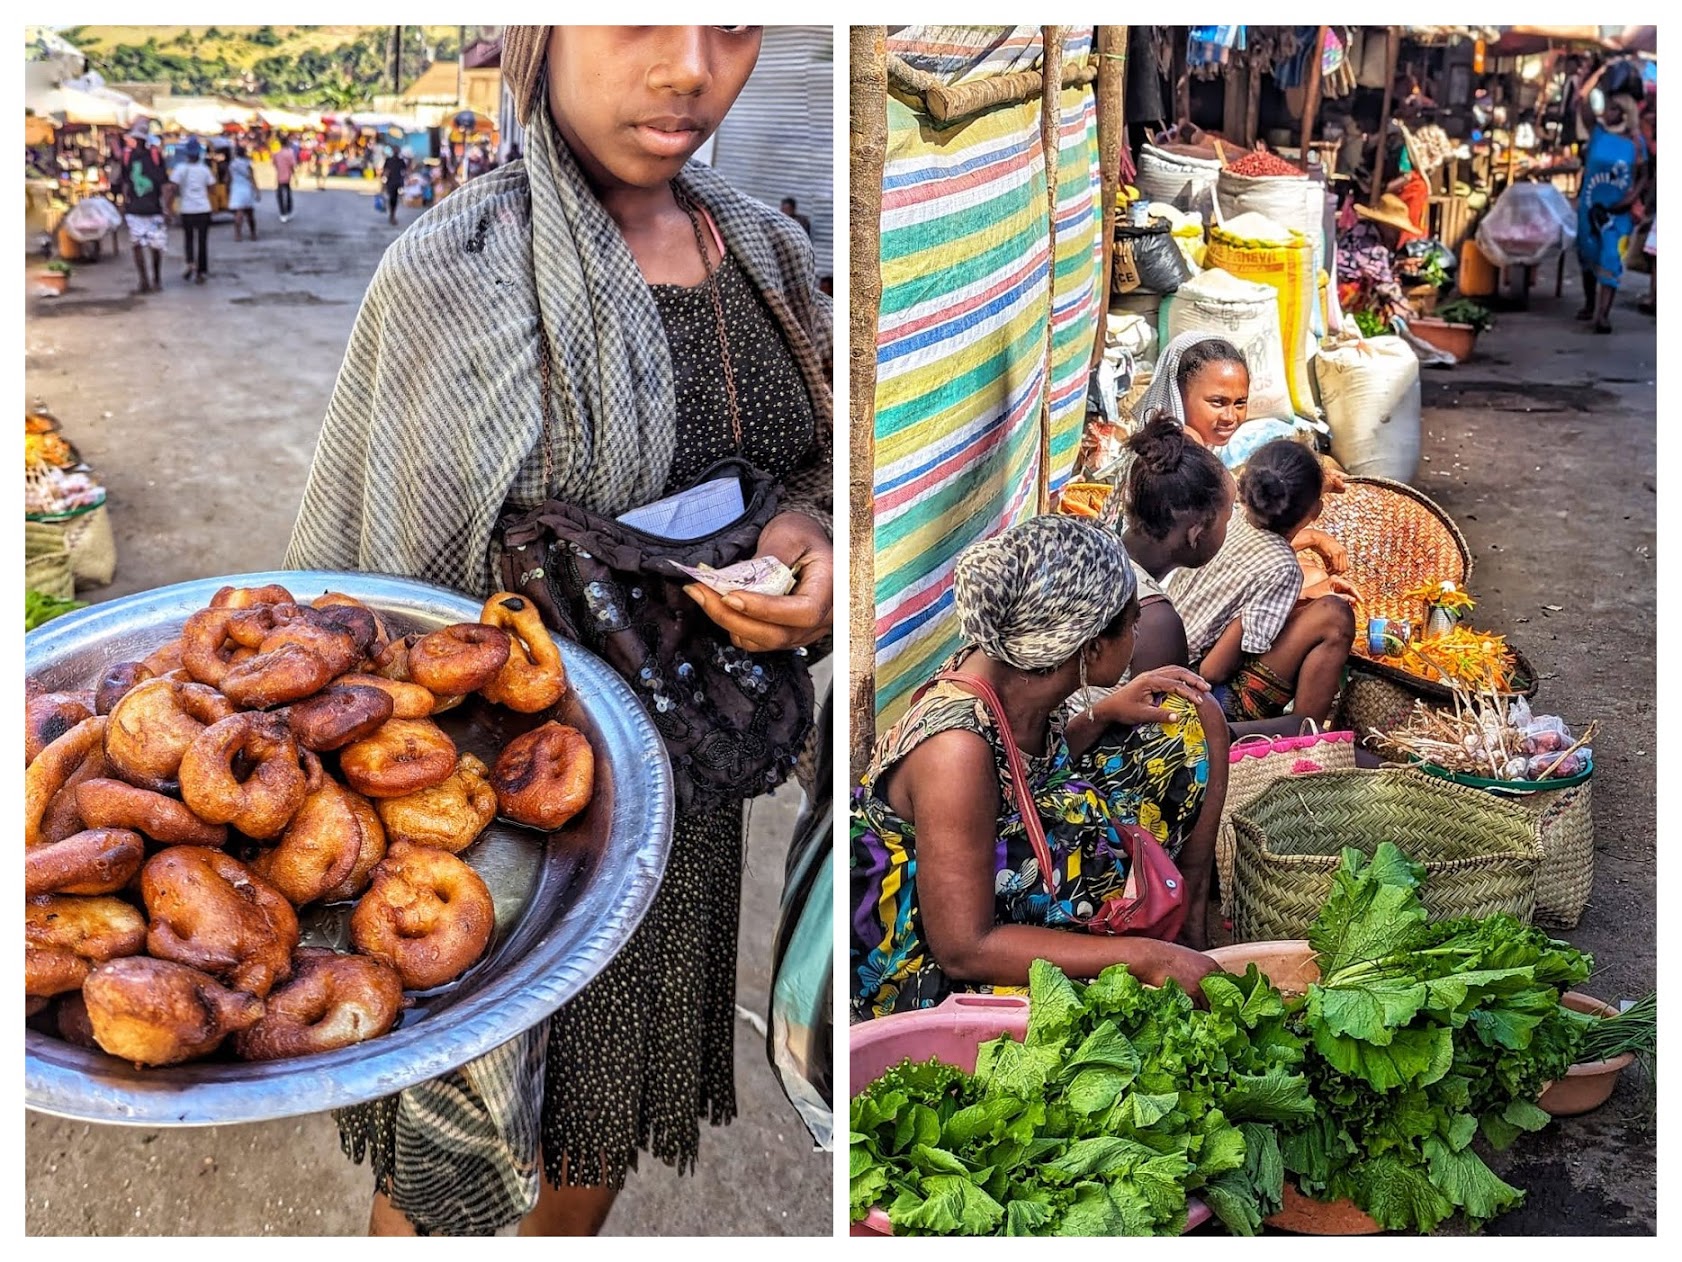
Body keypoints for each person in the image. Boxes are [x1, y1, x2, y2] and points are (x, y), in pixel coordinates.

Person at [284, 25, 832, 1236]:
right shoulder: (455, 278)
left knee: (590, 1123)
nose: (691, 65)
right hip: (478, 827)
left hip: (679, 811)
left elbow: (813, 463)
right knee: (446, 1176)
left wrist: (812, 544)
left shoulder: (769, 258)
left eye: (734, 21)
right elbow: (369, 604)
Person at [851, 514, 1228, 1023]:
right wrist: (1142, 959)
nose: (1139, 634)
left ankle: (1189, 915)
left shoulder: (1016, 673)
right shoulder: (954, 748)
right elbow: (964, 946)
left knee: (1194, 716)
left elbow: (1019, 774)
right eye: (1133, 622)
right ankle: (1154, 940)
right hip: (934, 959)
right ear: (1090, 648)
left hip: (1002, 856)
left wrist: (1102, 712)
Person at [1166, 440, 1355, 728]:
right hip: (1196, 690)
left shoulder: (1227, 518)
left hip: (1166, 659)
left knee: (1314, 591)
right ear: (1316, 510)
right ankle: (1301, 734)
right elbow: (1213, 669)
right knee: (1336, 615)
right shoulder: (1282, 568)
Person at [1113, 416, 1234, 678]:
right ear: (1196, 532)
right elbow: (1173, 719)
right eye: (1228, 518)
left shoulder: (1094, 550)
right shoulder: (1157, 622)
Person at [1575, 64, 1651, 334]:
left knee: (1610, 256)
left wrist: (1631, 198)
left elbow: (1643, 174)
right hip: (1589, 206)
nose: (1608, 112)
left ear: (1625, 112)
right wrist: (1596, 73)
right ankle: (1589, 303)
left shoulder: (1636, 143)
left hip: (1617, 212)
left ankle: (1602, 315)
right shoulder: (1597, 133)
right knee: (1586, 253)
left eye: (1615, 108)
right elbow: (1582, 101)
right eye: (1608, 107)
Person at [1338, 193, 1420, 329]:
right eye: (1395, 230)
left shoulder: (1363, 228)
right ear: (1385, 225)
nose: (1397, 235)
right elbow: (1385, 285)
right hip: (1343, 291)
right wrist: (1410, 313)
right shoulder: (1373, 244)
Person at [117, 121, 170, 294]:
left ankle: (154, 279)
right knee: (139, 245)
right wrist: (124, 203)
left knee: (154, 246)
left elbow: (164, 184)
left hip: (152, 208)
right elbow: (125, 182)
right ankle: (146, 280)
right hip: (137, 209)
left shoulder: (154, 156)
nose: (137, 142)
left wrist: (166, 207)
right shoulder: (128, 157)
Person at [170, 137, 216, 284]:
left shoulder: (180, 169)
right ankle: (201, 271)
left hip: (187, 210)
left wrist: (171, 205)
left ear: (187, 154)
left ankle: (190, 263)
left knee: (188, 239)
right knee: (202, 241)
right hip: (203, 209)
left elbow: (173, 188)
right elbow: (212, 189)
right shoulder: (205, 169)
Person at [227, 144, 258, 242]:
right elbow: (252, 177)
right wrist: (257, 190)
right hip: (247, 188)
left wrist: (227, 189)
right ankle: (253, 234)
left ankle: (238, 235)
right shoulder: (248, 163)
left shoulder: (232, 164)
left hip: (236, 189)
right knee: (250, 214)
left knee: (238, 213)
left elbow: (228, 178)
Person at [273, 133, 298, 222]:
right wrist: (295, 177)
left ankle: (282, 212)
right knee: (288, 194)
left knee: (280, 195)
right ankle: (288, 210)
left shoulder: (276, 154)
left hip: (280, 176)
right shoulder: (290, 153)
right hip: (288, 175)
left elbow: (275, 164)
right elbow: (292, 165)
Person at [380, 145, 407, 227]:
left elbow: (404, 171)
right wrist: (384, 181)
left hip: (395, 183)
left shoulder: (399, 161)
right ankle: (392, 214)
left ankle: (392, 214)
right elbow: (386, 171)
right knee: (392, 199)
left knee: (393, 199)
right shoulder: (392, 160)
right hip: (392, 182)